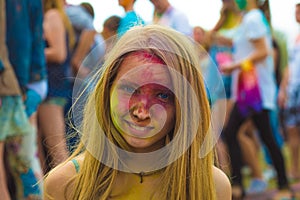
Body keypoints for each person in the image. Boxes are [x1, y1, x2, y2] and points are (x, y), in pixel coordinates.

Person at [43, 25, 231, 199]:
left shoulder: (212, 186)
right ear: (106, 92)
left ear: (185, 106)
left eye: (162, 95)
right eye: (129, 89)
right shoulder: (66, 184)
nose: (142, 112)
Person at [216, 0, 290, 199]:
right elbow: (246, 47)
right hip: (245, 93)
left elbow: (264, 51)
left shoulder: (254, 17)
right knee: (230, 133)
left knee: (267, 138)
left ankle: (283, 187)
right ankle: (239, 186)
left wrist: (234, 66)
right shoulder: (247, 19)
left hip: (256, 93)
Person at [4, 0, 47, 198]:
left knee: (23, 161)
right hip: (30, 82)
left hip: (23, 84)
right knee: (25, 158)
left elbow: (20, 40)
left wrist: (20, 84)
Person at [38, 0, 76, 173]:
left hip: (52, 88)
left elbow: (59, 53)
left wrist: (34, 53)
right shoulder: (57, 15)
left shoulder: (52, 15)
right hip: (51, 87)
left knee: (56, 147)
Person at [278, 0, 300, 182]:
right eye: (296, 12)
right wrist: (283, 90)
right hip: (293, 91)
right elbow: (288, 67)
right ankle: (295, 169)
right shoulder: (294, 38)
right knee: (292, 129)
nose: (296, 15)